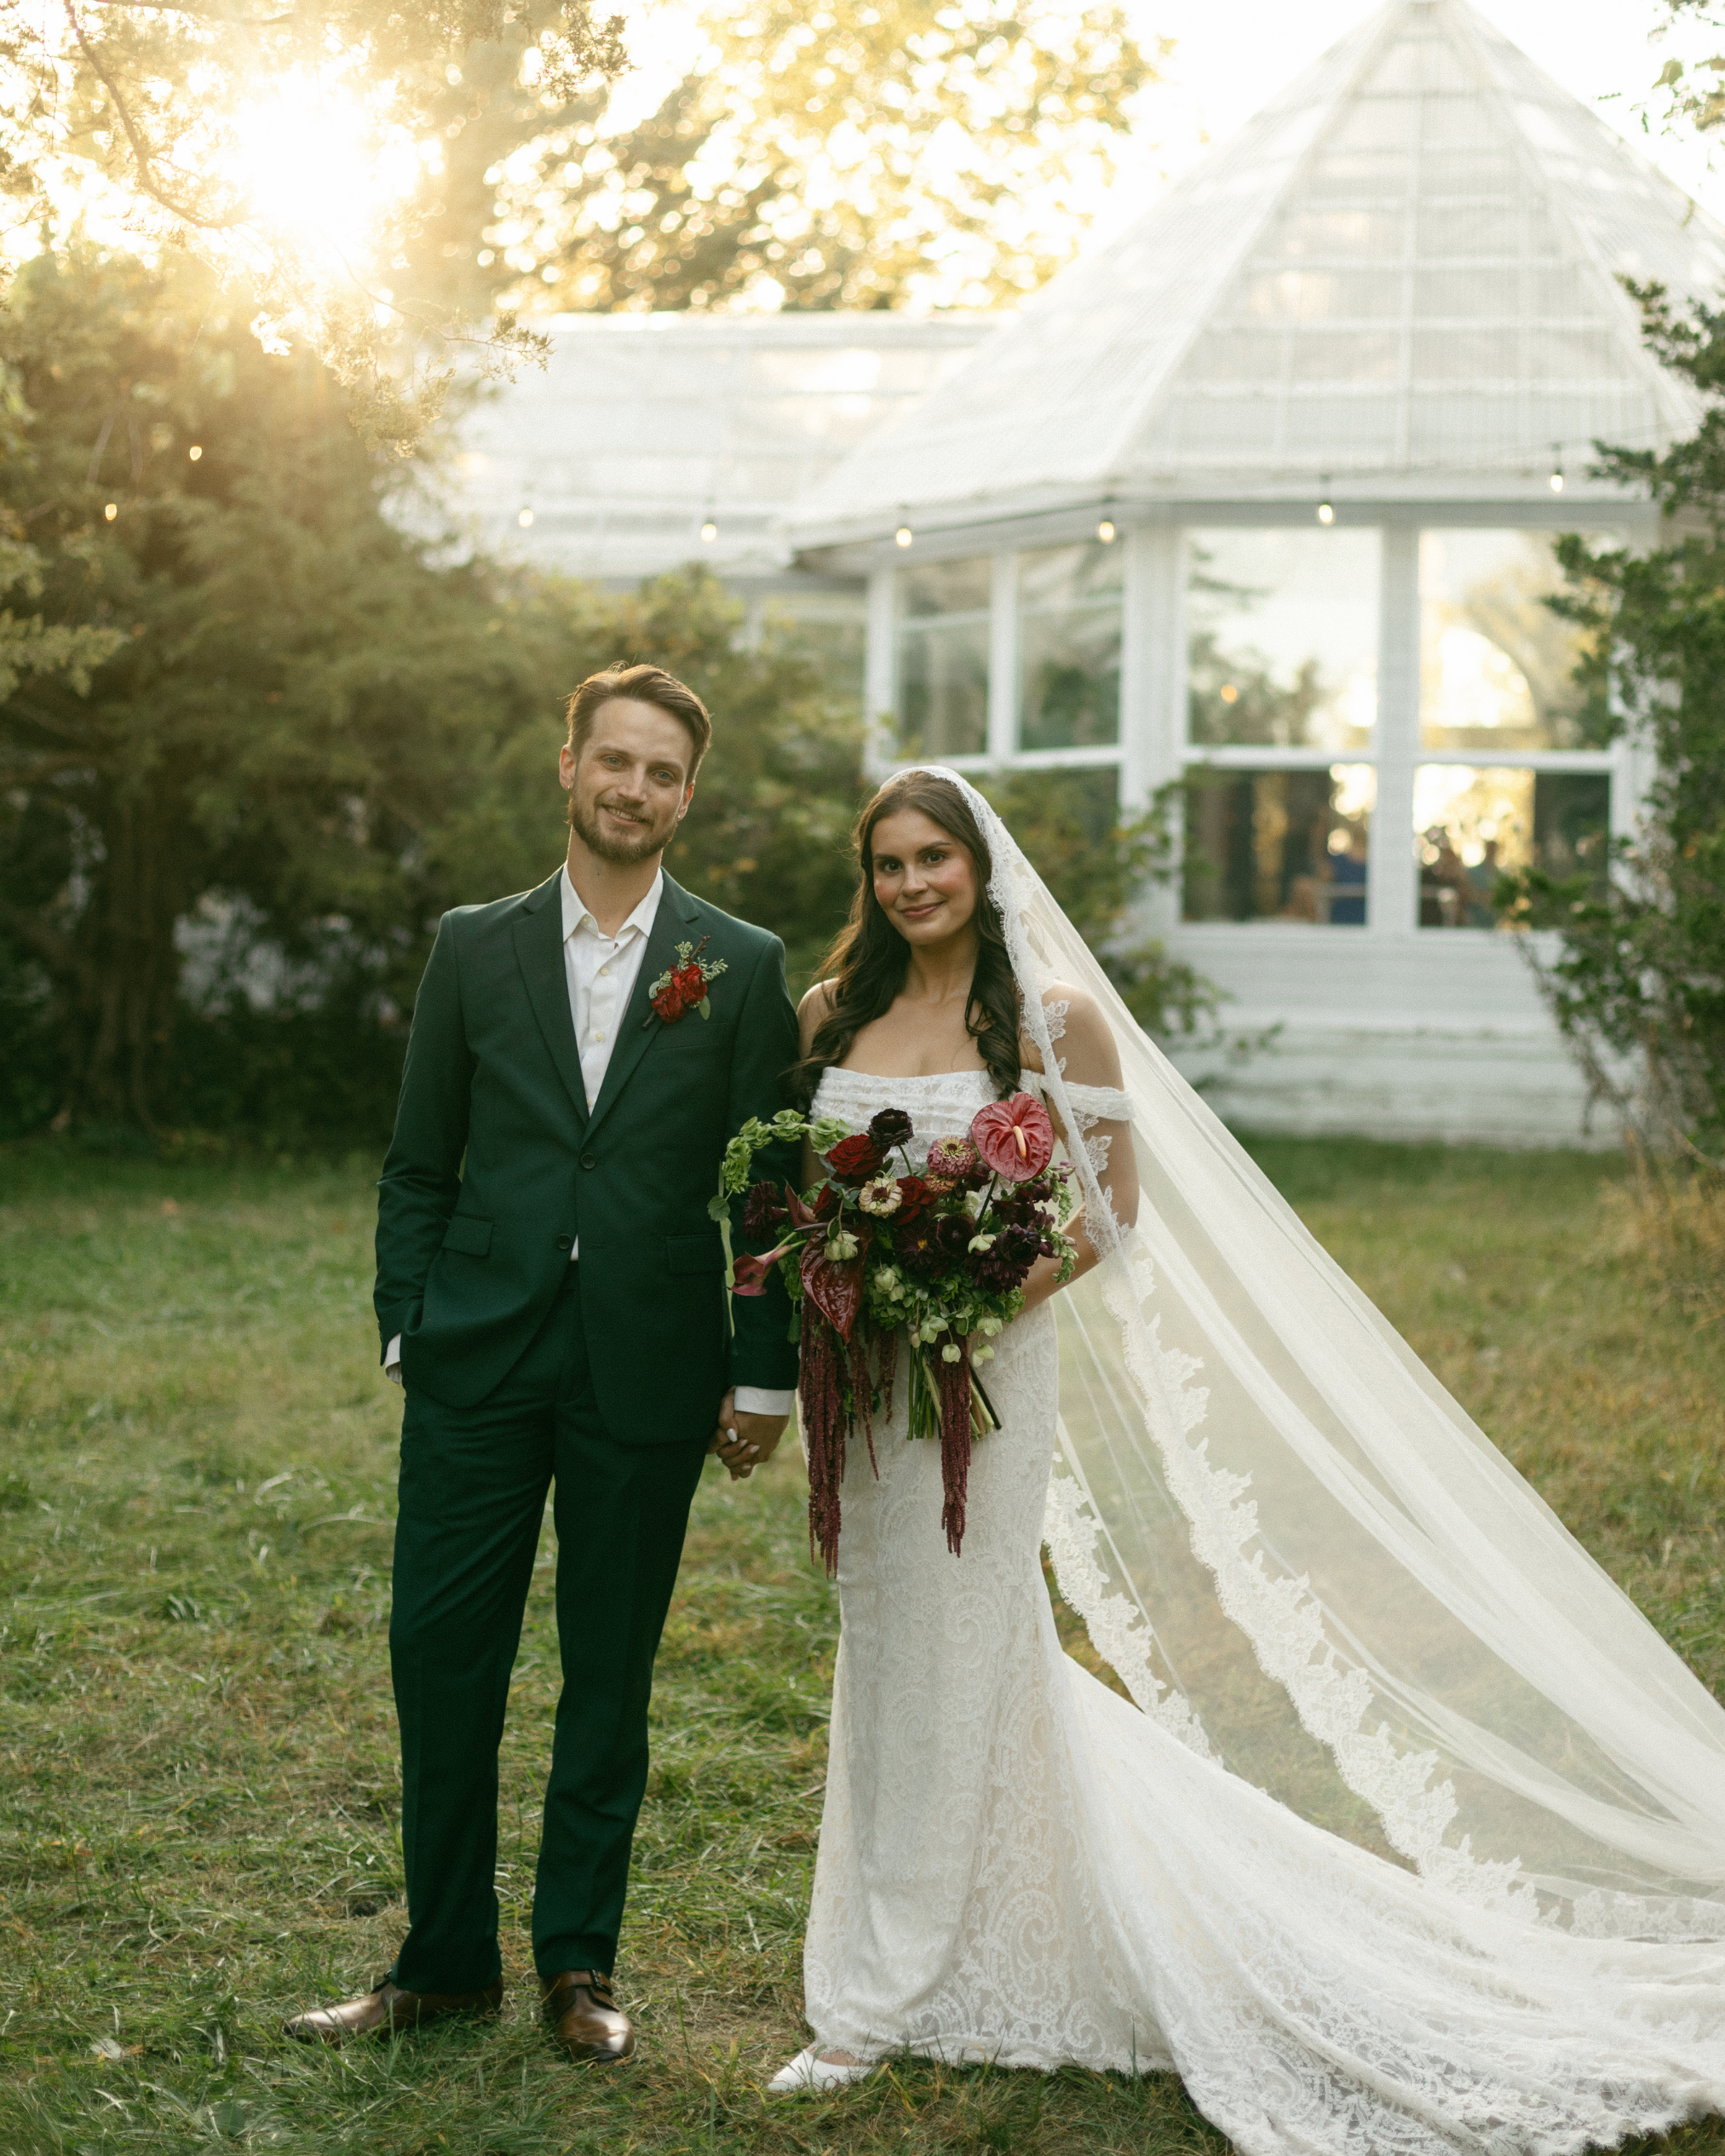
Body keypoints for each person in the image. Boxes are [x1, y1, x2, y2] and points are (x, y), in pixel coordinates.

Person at [768, 765, 1725, 2156]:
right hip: (861, 1388)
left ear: (981, 866)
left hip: (985, 1374)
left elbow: (1102, 1215)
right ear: (868, 876)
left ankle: (880, 1990)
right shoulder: (828, 1014)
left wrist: (956, 1311)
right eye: (890, 863)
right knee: (888, 1640)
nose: (913, 884)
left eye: (936, 858)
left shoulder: (1055, 1019)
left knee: (965, 1631)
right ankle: (938, 1918)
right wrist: (852, 1289)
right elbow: (805, 1193)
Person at [285, 664, 798, 2062]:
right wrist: (409, 1319)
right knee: (440, 1655)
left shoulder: (741, 967)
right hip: (477, 1359)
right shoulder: (474, 944)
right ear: (567, 767)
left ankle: (580, 1963)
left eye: (663, 772)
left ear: (688, 795)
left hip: (647, 1362)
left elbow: (767, 1196)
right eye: (614, 760)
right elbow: (415, 1162)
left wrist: (763, 1377)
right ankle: (441, 1959)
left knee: (608, 1669)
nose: (634, 788)